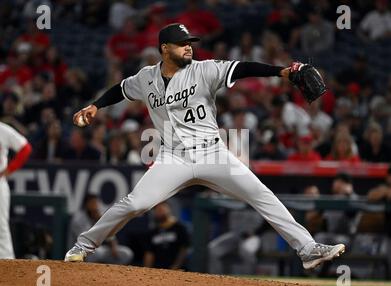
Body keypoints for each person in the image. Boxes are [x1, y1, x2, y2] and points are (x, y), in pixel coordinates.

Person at [65, 23, 345, 270]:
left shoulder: (205, 69)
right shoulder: (146, 78)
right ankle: (83, 246)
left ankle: (307, 249)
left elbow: (244, 67)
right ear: (165, 48)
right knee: (135, 203)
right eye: (183, 44)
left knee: (261, 194)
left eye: (190, 43)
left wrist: (282, 72)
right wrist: (95, 105)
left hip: (213, 153)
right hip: (173, 158)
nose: (189, 48)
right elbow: (121, 89)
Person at [67, 193, 133, 265]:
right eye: (92, 202)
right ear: (86, 204)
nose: (95, 205)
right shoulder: (78, 219)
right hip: (80, 251)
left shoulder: (98, 215)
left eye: (96, 202)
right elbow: (86, 240)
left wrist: (113, 246)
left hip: (99, 250)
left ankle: (108, 271)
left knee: (126, 253)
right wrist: (98, 221)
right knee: (97, 253)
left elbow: (109, 234)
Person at [0, 121, 32, 259]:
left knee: (0, 227)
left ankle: (7, 265)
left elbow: (25, 148)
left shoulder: (2, 129)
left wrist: (9, 170)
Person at [143, 202, 190, 270]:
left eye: (161, 209)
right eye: (156, 210)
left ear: (169, 209)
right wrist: (146, 270)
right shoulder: (153, 232)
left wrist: (177, 265)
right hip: (157, 269)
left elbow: (184, 249)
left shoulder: (180, 228)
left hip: (178, 269)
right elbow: (149, 253)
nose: (159, 212)